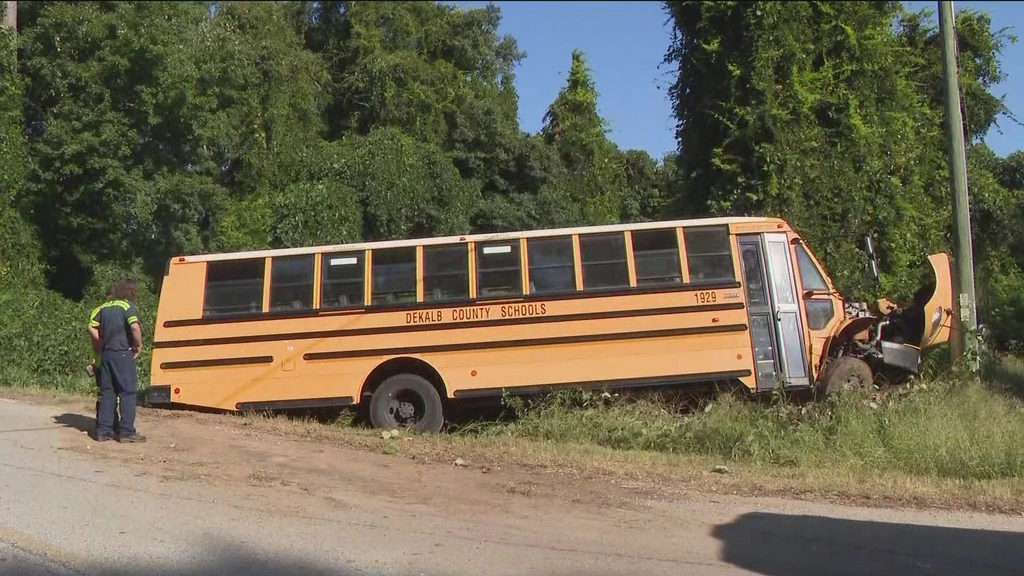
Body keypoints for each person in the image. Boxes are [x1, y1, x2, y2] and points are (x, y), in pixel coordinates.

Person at [88, 279, 146, 442]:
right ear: (131, 292)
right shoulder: (127, 307)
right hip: (122, 353)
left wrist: (99, 343)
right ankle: (127, 431)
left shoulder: (104, 308)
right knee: (127, 392)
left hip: (106, 355)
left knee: (108, 392)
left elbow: (91, 326)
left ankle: (104, 431)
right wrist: (138, 345)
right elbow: (134, 327)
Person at [87, 288, 120, 437]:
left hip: (103, 358)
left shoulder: (101, 310)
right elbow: (92, 328)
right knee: (107, 393)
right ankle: (106, 423)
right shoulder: (103, 310)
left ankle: (110, 422)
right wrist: (101, 344)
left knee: (109, 393)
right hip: (103, 359)